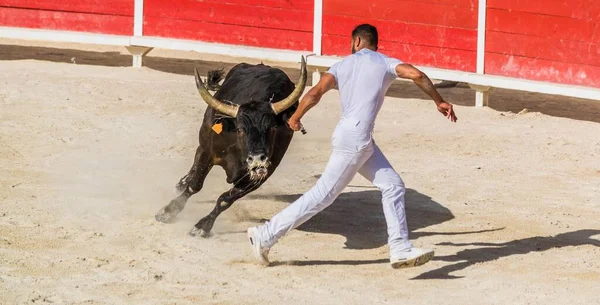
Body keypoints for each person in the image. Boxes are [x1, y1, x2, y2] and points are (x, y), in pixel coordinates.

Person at [247, 24, 458, 268]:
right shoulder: (386, 63)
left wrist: (295, 118)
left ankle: (400, 247)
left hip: (353, 137)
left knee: (393, 186)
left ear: (356, 42)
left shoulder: (340, 66)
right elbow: (417, 75)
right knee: (323, 195)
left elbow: (315, 93)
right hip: (356, 140)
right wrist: (439, 101)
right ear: (373, 43)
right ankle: (264, 235)